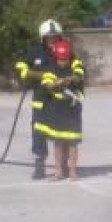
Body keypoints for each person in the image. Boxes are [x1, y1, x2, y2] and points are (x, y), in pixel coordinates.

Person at [14, 19, 64, 179]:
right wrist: (38, 75)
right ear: (43, 37)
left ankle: (62, 165)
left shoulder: (66, 51)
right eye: (49, 37)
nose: (52, 39)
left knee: (61, 132)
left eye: (55, 36)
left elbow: (75, 69)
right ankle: (39, 165)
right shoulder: (34, 51)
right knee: (38, 133)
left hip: (59, 100)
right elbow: (21, 67)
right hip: (40, 100)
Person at [35, 39, 85, 181]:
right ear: (56, 57)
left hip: (72, 108)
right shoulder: (51, 68)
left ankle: (73, 171)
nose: (63, 62)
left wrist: (70, 79)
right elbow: (48, 85)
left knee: (73, 142)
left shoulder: (75, 65)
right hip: (57, 110)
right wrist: (57, 83)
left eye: (65, 58)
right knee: (58, 142)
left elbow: (78, 76)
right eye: (61, 59)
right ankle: (58, 172)